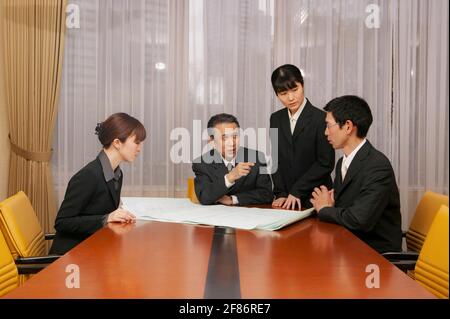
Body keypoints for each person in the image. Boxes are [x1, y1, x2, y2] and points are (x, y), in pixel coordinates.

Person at [310, 95, 402, 253]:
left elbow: (360, 219)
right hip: (349, 243)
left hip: (376, 256)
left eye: (328, 125)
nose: (325, 132)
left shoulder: (377, 166)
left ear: (347, 127)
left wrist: (325, 209)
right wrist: (332, 205)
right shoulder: (342, 162)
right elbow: (348, 209)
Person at [50, 113, 146, 255]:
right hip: (72, 258)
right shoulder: (88, 176)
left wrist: (114, 217)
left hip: (95, 248)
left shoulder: (117, 174)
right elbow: (62, 222)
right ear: (117, 143)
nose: (139, 148)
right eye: (136, 142)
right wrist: (106, 218)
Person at [270, 64, 335, 210]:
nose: (291, 98)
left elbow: (325, 163)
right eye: (283, 93)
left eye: (295, 90)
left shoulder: (321, 118)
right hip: (286, 199)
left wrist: (297, 190)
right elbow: (276, 158)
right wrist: (280, 193)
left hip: (316, 198)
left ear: (303, 85)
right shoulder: (275, 118)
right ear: (276, 94)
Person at [192, 113, 273, 206]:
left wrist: (233, 199)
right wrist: (230, 177)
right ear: (212, 141)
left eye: (235, 136)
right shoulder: (201, 163)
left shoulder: (256, 157)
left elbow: (267, 194)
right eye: (225, 138)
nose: (232, 143)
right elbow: (204, 197)